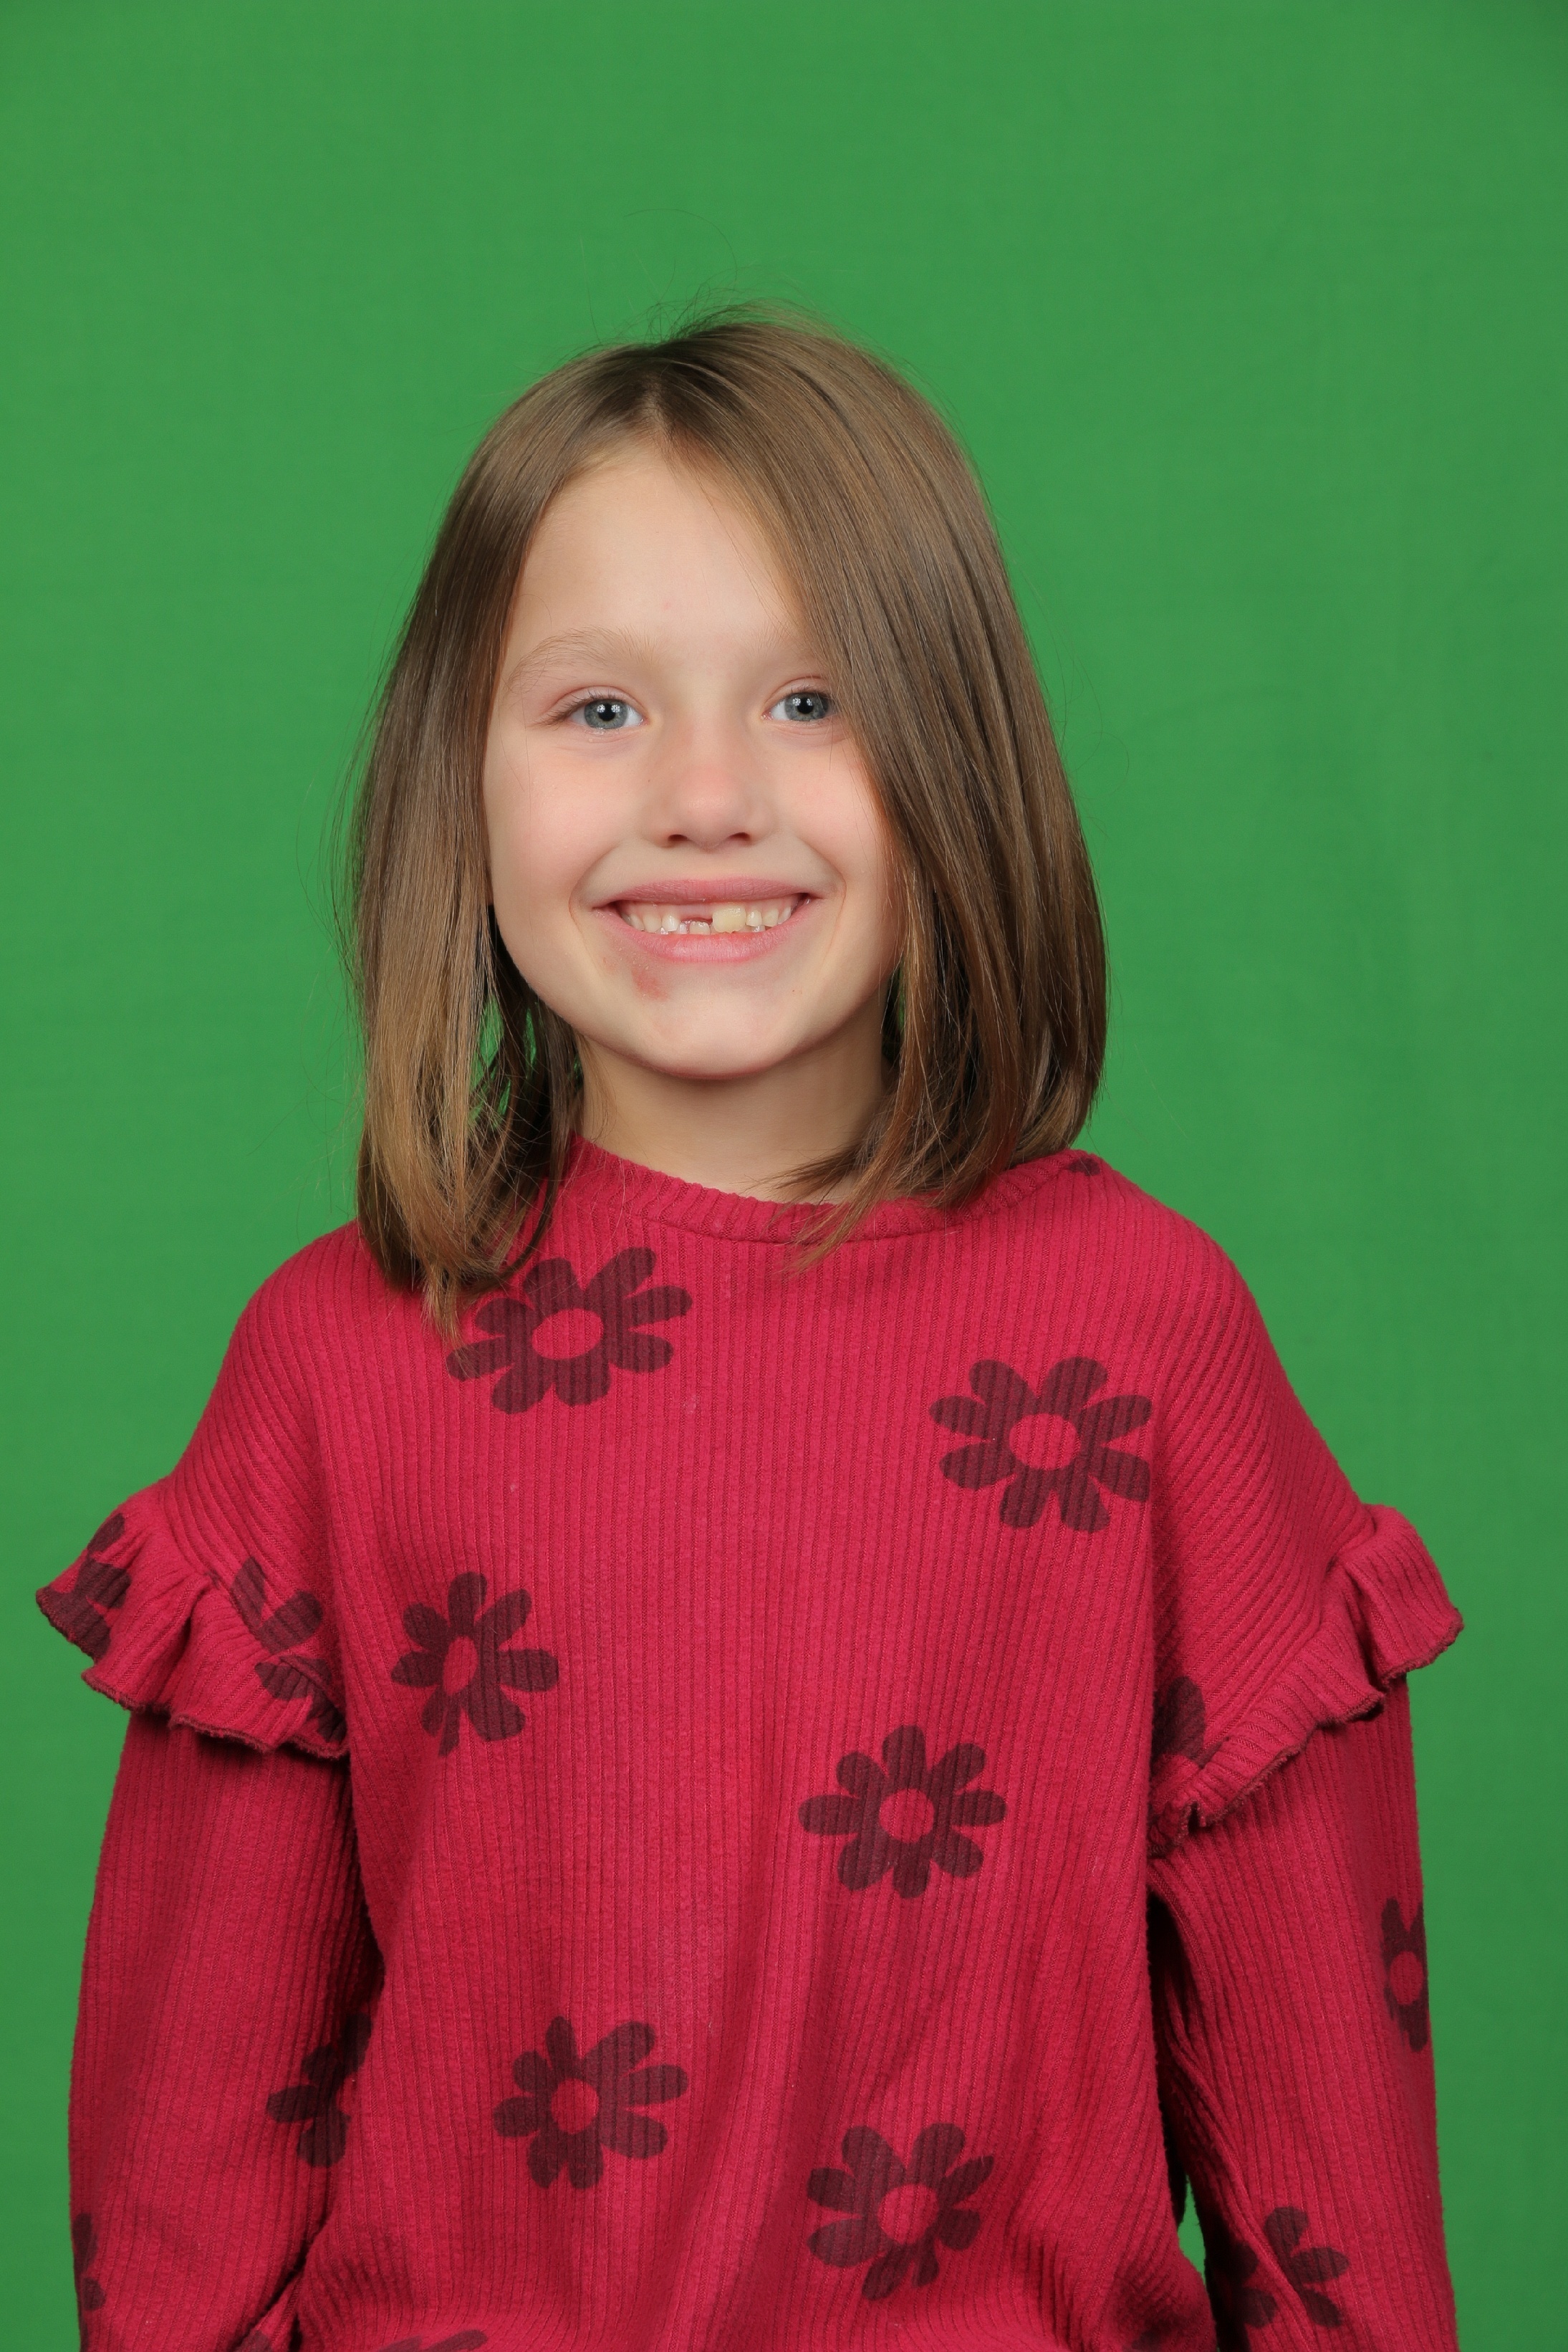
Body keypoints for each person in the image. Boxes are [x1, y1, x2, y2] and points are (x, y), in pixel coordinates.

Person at [39, 314, 1463, 2352]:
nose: (705, 796)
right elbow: (181, 2204)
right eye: (600, 706)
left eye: (811, 699)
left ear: (957, 758)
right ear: (462, 776)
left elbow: (1339, 2200)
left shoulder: (1147, 1342)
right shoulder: (331, 1368)